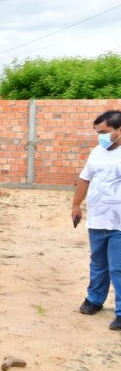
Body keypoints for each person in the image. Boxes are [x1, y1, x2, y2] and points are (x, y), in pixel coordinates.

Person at [72, 110, 121, 331]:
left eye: (104, 132)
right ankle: (94, 300)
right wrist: (76, 206)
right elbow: (84, 179)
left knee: (118, 268)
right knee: (98, 264)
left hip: (119, 223)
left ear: (119, 130)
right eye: (97, 132)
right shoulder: (96, 152)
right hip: (97, 220)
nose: (100, 136)